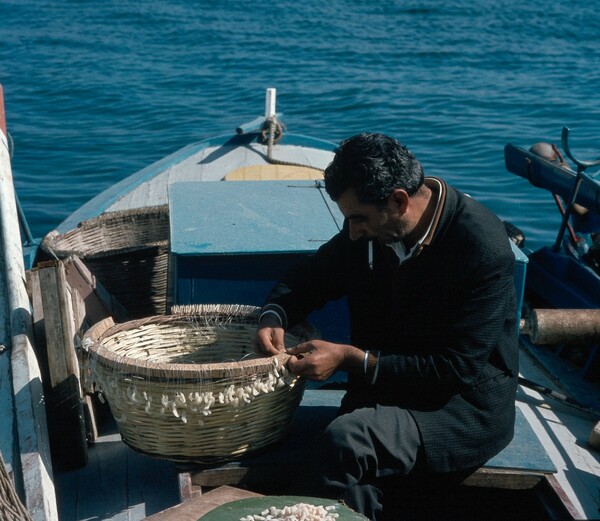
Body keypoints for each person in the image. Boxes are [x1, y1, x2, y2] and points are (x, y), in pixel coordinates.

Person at [254, 132, 519, 520]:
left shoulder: (481, 247)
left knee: (348, 438)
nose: (353, 232)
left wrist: (351, 359)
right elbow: (312, 276)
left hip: (459, 409)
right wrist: (274, 314)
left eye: (358, 218)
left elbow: (454, 369)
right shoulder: (371, 227)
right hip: (387, 392)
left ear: (398, 200)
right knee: (354, 490)